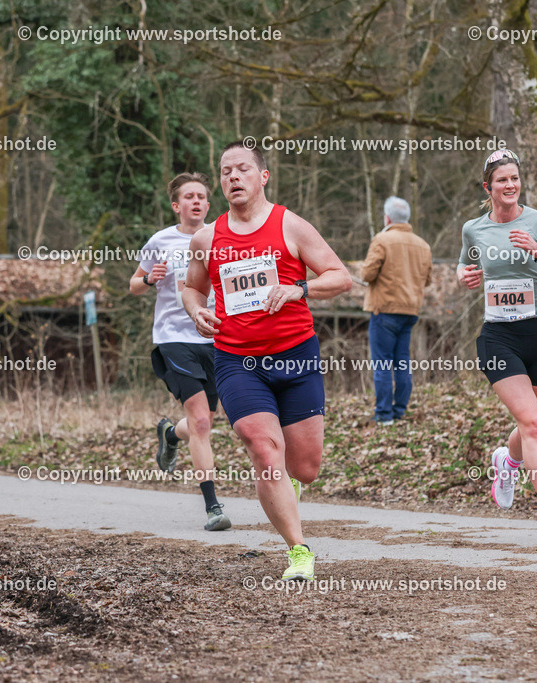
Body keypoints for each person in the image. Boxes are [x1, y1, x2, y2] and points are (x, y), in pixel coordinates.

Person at [182, 141, 352, 580]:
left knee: (306, 467)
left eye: (242, 169)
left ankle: (289, 486)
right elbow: (192, 288)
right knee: (263, 449)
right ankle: (299, 552)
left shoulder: (291, 226)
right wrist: (196, 310)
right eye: (225, 172)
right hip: (237, 360)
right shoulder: (208, 238)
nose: (232, 177)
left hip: (296, 356)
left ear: (263, 176)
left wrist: (301, 289)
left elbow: (340, 276)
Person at [457, 149, 537, 540]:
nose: (510, 186)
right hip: (498, 337)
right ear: (488, 188)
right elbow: (464, 264)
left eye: (514, 179)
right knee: (531, 422)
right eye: (501, 181)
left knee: (534, 424)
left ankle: (507, 461)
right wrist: (465, 276)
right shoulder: (474, 229)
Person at [130, 172, 230, 532]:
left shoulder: (222, 236)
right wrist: (148, 280)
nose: (197, 202)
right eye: (189, 197)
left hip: (216, 338)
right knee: (202, 422)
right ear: (177, 205)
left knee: (205, 423)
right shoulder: (161, 240)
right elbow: (133, 284)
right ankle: (212, 507)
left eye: (202, 196)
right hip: (174, 338)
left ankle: (170, 435)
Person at [361, 196, 432, 425]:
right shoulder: (423, 245)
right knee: (402, 362)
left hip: (385, 309)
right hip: (410, 311)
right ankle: (399, 410)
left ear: (387, 217)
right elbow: (427, 279)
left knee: (382, 363)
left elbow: (366, 275)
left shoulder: (382, 239)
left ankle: (383, 414)